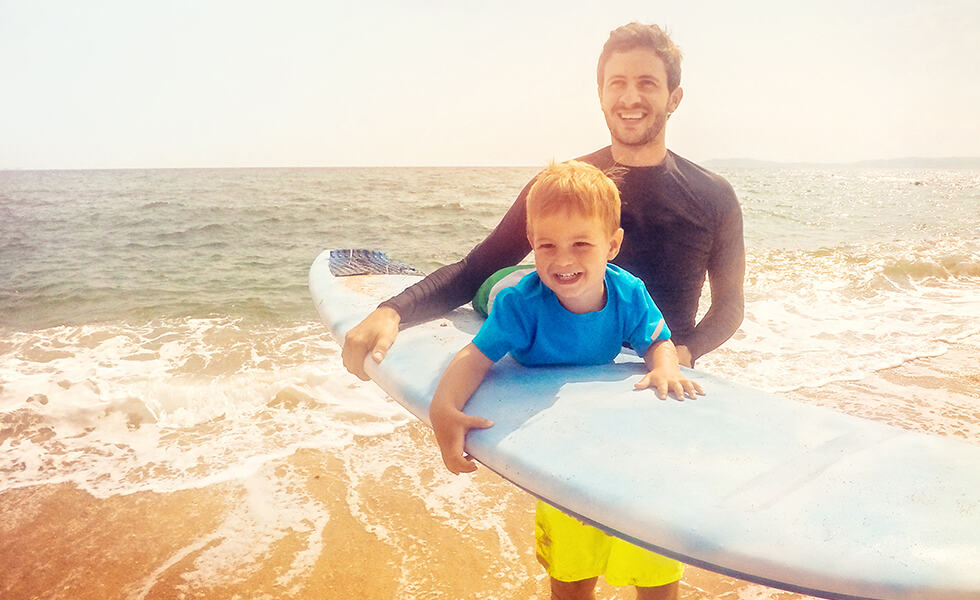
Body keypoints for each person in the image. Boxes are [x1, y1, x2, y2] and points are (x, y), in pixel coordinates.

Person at [343, 21, 745, 600]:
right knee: (572, 573)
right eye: (616, 83)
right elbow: (476, 266)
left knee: (657, 576)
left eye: (647, 84)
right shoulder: (564, 190)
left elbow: (729, 311)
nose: (630, 98)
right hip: (568, 408)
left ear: (673, 97)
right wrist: (393, 310)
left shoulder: (712, 196)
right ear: (600, 92)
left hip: (658, 400)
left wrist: (677, 354)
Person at [430, 160, 704, 599]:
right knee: (494, 293)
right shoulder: (521, 307)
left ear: (612, 244)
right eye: (546, 246)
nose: (563, 260)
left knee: (656, 573)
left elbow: (659, 342)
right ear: (531, 245)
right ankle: (493, 282)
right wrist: (443, 409)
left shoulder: (628, 293)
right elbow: (474, 357)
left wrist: (664, 364)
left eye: (581, 244)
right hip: (508, 294)